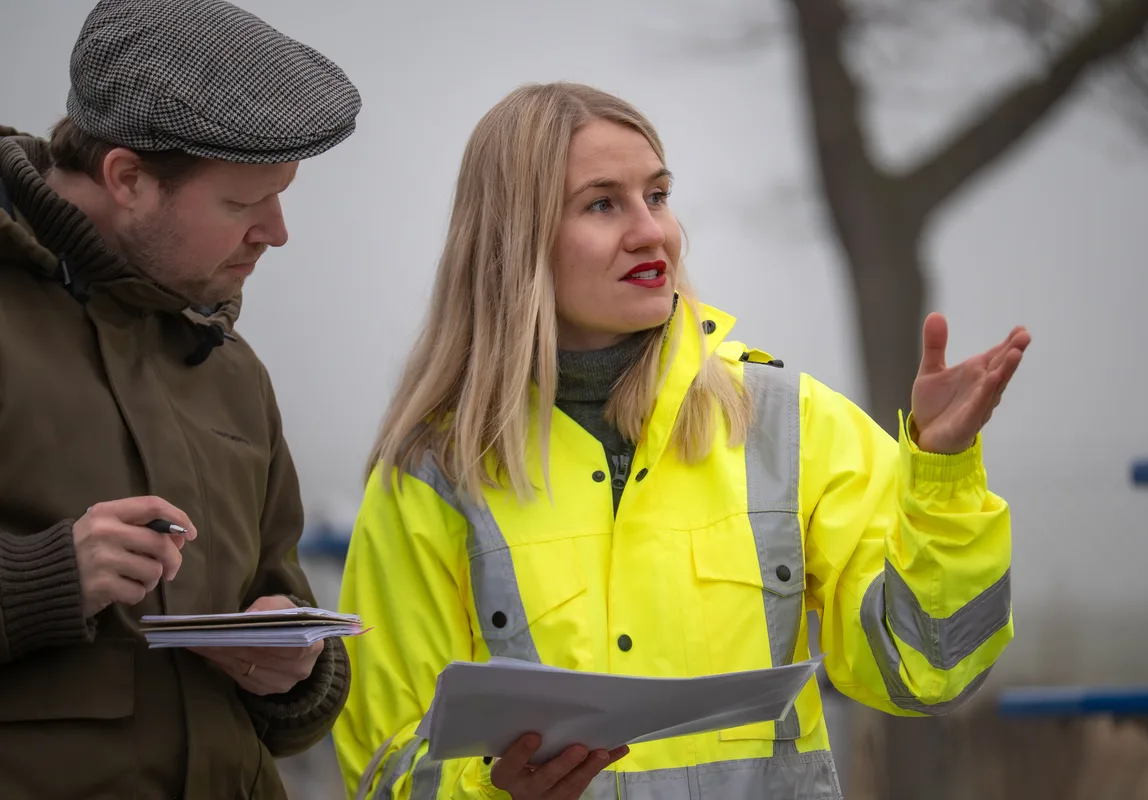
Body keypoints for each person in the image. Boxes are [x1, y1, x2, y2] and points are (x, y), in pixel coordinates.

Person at [334, 82, 1029, 800]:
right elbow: (385, 768)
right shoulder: (431, 476)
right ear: (516, 240)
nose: (651, 232)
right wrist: (494, 791)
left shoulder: (788, 425)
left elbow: (927, 671)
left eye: (657, 196)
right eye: (603, 204)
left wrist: (942, 476)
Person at [0, 1, 362, 797]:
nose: (277, 231)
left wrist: (298, 667)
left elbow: (295, 658)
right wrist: (45, 580)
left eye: (281, 195)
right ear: (127, 178)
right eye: (242, 203)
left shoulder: (234, 372)